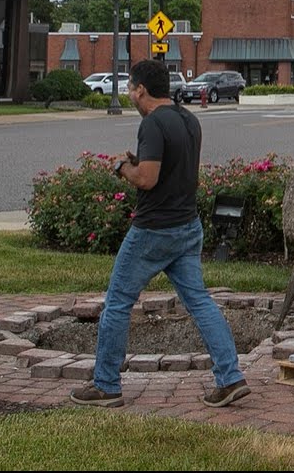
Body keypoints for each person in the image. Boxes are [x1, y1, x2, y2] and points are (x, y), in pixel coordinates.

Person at [70, 58, 250, 408]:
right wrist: (140, 160)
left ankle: (106, 384)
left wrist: (123, 166)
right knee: (199, 301)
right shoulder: (189, 120)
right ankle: (230, 377)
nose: (128, 95)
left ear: (141, 90)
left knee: (118, 302)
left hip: (154, 230)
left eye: (129, 89)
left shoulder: (153, 124)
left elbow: (148, 180)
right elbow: (171, 169)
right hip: (187, 226)